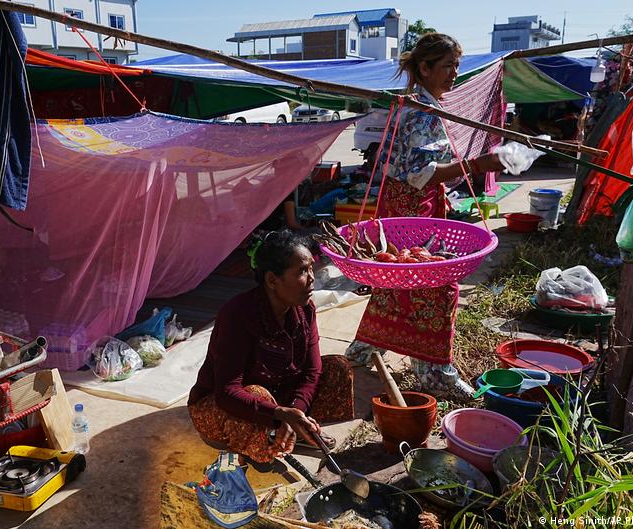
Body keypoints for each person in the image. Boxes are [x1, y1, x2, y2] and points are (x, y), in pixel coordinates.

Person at [349, 33, 506, 391]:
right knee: (436, 287)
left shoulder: (415, 104)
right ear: (425, 67)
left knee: (395, 280)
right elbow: (423, 174)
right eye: (448, 65)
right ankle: (434, 373)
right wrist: (479, 163)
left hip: (401, 205)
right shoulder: (422, 113)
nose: (455, 73)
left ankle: (364, 349)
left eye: (457, 65)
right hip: (411, 210)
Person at [188, 230, 354, 463]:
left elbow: (311, 371)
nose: (312, 277)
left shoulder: (305, 309)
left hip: (280, 396)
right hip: (226, 405)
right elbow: (227, 392)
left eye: (310, 268)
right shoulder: (237, 314)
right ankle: (273, 434)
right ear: (272, 281)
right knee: (257, 392)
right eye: (302, 271)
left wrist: (295, 411)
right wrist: (278, 414)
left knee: (337, 368)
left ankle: (293, 429)